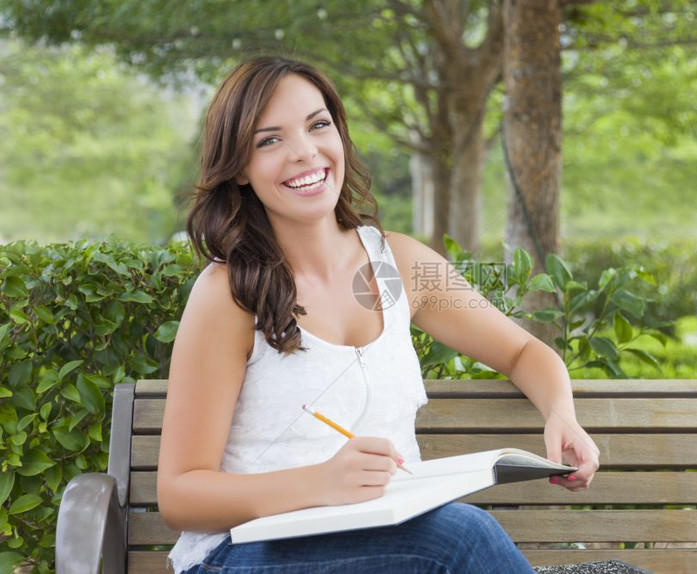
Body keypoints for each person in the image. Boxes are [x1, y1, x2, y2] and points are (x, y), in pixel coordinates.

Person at [157, 55, 600, 574]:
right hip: (244, 554)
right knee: (460, 536)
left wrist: (561, 414)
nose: (305, 152)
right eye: (269, 140)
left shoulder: (397, 266)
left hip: (389, 544)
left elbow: (522, 350)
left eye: (318, 125)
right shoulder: (230, 291)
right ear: (238, 168)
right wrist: (317, 483)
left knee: (448, 537)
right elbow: (180, 493)